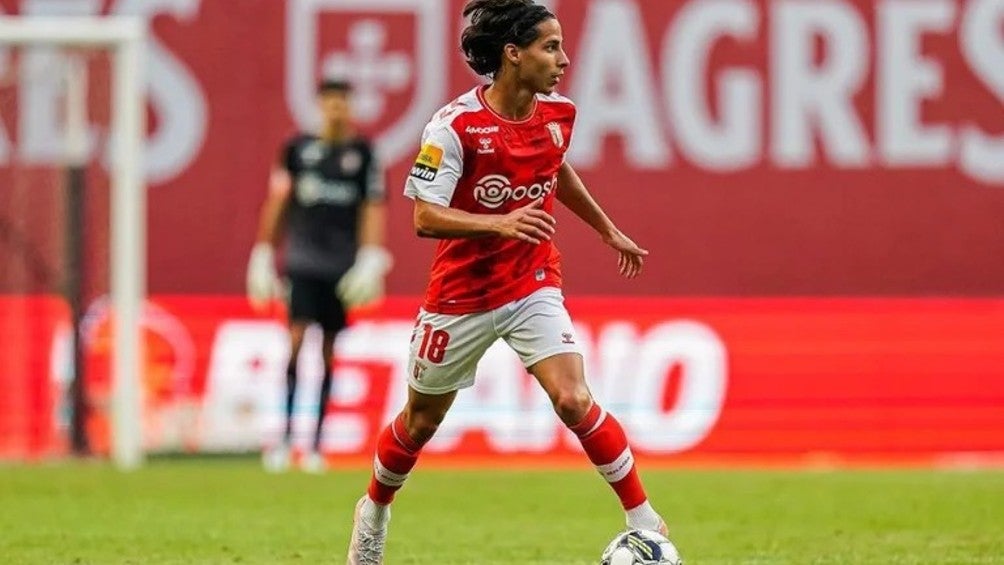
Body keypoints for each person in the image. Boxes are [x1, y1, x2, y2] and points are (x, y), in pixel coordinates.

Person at [345, 0, 676, 562]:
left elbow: (554, 167)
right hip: (460, 294)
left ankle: (646, 521)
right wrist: (498, 222)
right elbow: (424, 216)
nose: (564, 60)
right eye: (551, 47)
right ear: (513, 54)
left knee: (572, 398)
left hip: (531, 281)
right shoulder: (454, 126)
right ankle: (374, 511)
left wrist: (607, 229)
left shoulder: (559, 115)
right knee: (420, 422)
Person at [246, 78, 392, 474]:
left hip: (340, 265)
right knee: (295, 342)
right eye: (330, 102)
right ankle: (284, 439)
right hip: (303, 260)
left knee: (329, 352)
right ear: (320, 106)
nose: (336, 109)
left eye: (342, 102)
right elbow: (278, 201)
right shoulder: (297, 150)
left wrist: (370, 256)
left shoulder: (363, 154)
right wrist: (263, 252)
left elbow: (372, 207)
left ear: (351, 107)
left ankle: (314, 445)